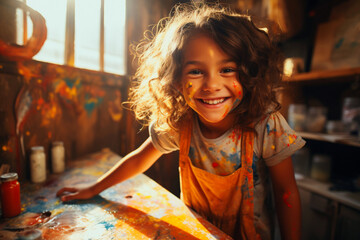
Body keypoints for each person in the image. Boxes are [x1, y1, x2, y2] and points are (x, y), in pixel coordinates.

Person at [57, 2, 305, 239]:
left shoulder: (266, 125)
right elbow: (138, 160)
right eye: (196, 72)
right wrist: (93, 189)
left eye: (227, 69)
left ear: (250, 73)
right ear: (176, 80)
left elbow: (286, 192)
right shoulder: (179, 124)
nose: (211, 85)